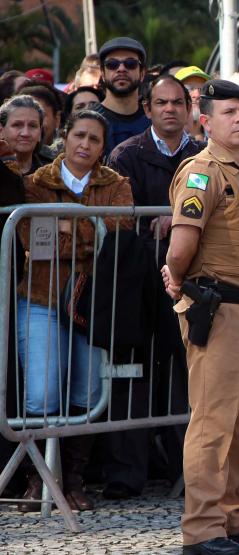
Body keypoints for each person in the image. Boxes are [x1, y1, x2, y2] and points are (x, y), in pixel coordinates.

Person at [162, 80, 239, 555]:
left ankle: (232, 519)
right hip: (219, 309)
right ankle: (203, 529)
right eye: (229, 112)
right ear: (205, 121)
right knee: (212, 424)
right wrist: (177, 276)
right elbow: (182, 246)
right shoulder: (202, 172)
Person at [16, 110, 134, 512]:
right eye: (79, 135)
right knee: (42, 390)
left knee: (89, 390)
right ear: (65, 137)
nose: (85, 144)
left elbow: (118, 239)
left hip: (92, 301)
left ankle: (75, 480)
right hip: (40, 296)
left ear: (104, 146)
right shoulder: (35, 183)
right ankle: (40, 479)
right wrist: (91, 230)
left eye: (94, 139)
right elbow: (33, 238)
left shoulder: (116, 184)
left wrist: (72, 227)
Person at [105, 74, 203, 500]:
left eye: (177, 103)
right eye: (161, 103)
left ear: (188, 108)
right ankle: (127, 474)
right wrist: (156, 226)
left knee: (187, 373)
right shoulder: (126, 154)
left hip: (189, 279)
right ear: (147, 109)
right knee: (133, 373)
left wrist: (178, 226)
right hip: (137, 278)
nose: (169, 110)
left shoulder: (203, 154)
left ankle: (187, 470)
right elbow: (117, 217)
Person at [96, 36, 151, 156]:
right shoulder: (88, 120)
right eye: (112, 64)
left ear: (142, 73)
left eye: (130, 64)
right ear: (102, 73)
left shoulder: (154, 122)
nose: (121, 69)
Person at [0, 95, 44, 176]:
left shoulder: (52, 175)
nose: (25, 133)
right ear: (1, 131)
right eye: (17, 125)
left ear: (40, 133)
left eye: (32, 126)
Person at [175, 66, 211, 142]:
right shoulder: (166, 138)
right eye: (189, 89)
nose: (197, 95)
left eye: (201, 89)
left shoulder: (216, 134)